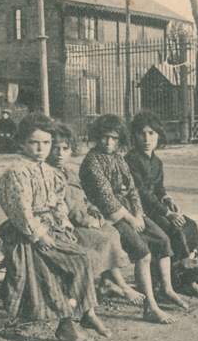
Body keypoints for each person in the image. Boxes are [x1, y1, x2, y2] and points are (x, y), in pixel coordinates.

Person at [0, 113, 110, 341]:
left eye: (46, 143)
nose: (41, 148)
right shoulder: (17, 171)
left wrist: (64, 224)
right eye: (34, 142)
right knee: (73, 262)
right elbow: (20, 209)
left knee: (84, 256)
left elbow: (59, 203)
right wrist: (38, 234)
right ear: (21, 143)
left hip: (52, 227)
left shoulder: (49, 171)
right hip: (24, 233)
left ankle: (82, 317)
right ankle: (72, 322)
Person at [79, 114, 189, 324]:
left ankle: (166, 288)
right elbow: (106, 198)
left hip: (130, 213)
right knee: (142, 252)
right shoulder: (92, 162)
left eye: (114, 138)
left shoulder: (119, 159)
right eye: (104, 137)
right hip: (108, 216)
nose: (109, 142)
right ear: (96, 137)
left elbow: (132, 190)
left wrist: (138, 214)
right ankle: (150, 306)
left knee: (162, 240)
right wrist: (130, 218)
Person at [47, 124, 143, 305]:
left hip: (83, 219)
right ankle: (121, 285)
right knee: (103, 238)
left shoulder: (69, 172)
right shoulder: (49, 173)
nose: (60, 153)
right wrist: (87, 220)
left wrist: (96, 214)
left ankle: (108, 282)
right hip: (67, 225)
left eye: (65, 149)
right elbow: (64, 210)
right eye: (55, 148)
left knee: (111, 231)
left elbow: (84, 198)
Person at [126, 112, 198, 300]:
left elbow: (159, 189)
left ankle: (190, 280)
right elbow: (141, 193)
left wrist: (168, 201)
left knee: (189, 225)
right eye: (142, 133)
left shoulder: (157, 162)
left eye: (152, 133)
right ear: (135, 136)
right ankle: (173, 283)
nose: (147, 138)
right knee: (171, 229)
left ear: (158, 136)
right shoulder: (131, 160)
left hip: (157, 207)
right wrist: (167, 213)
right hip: (139, 209)